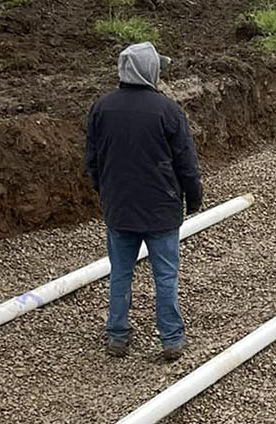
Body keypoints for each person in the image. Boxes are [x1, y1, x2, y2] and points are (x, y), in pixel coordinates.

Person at [84, 43, 203, 361]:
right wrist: (194, 199)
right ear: (149, 70)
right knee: (165, 274)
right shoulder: (168, 111)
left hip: (119, 208)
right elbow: (186, 163)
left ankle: (117, 336)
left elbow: (93, 160)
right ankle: (171, 340)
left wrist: (105, 193)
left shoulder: (101, 108)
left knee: (120, 272)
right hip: (161, 209)